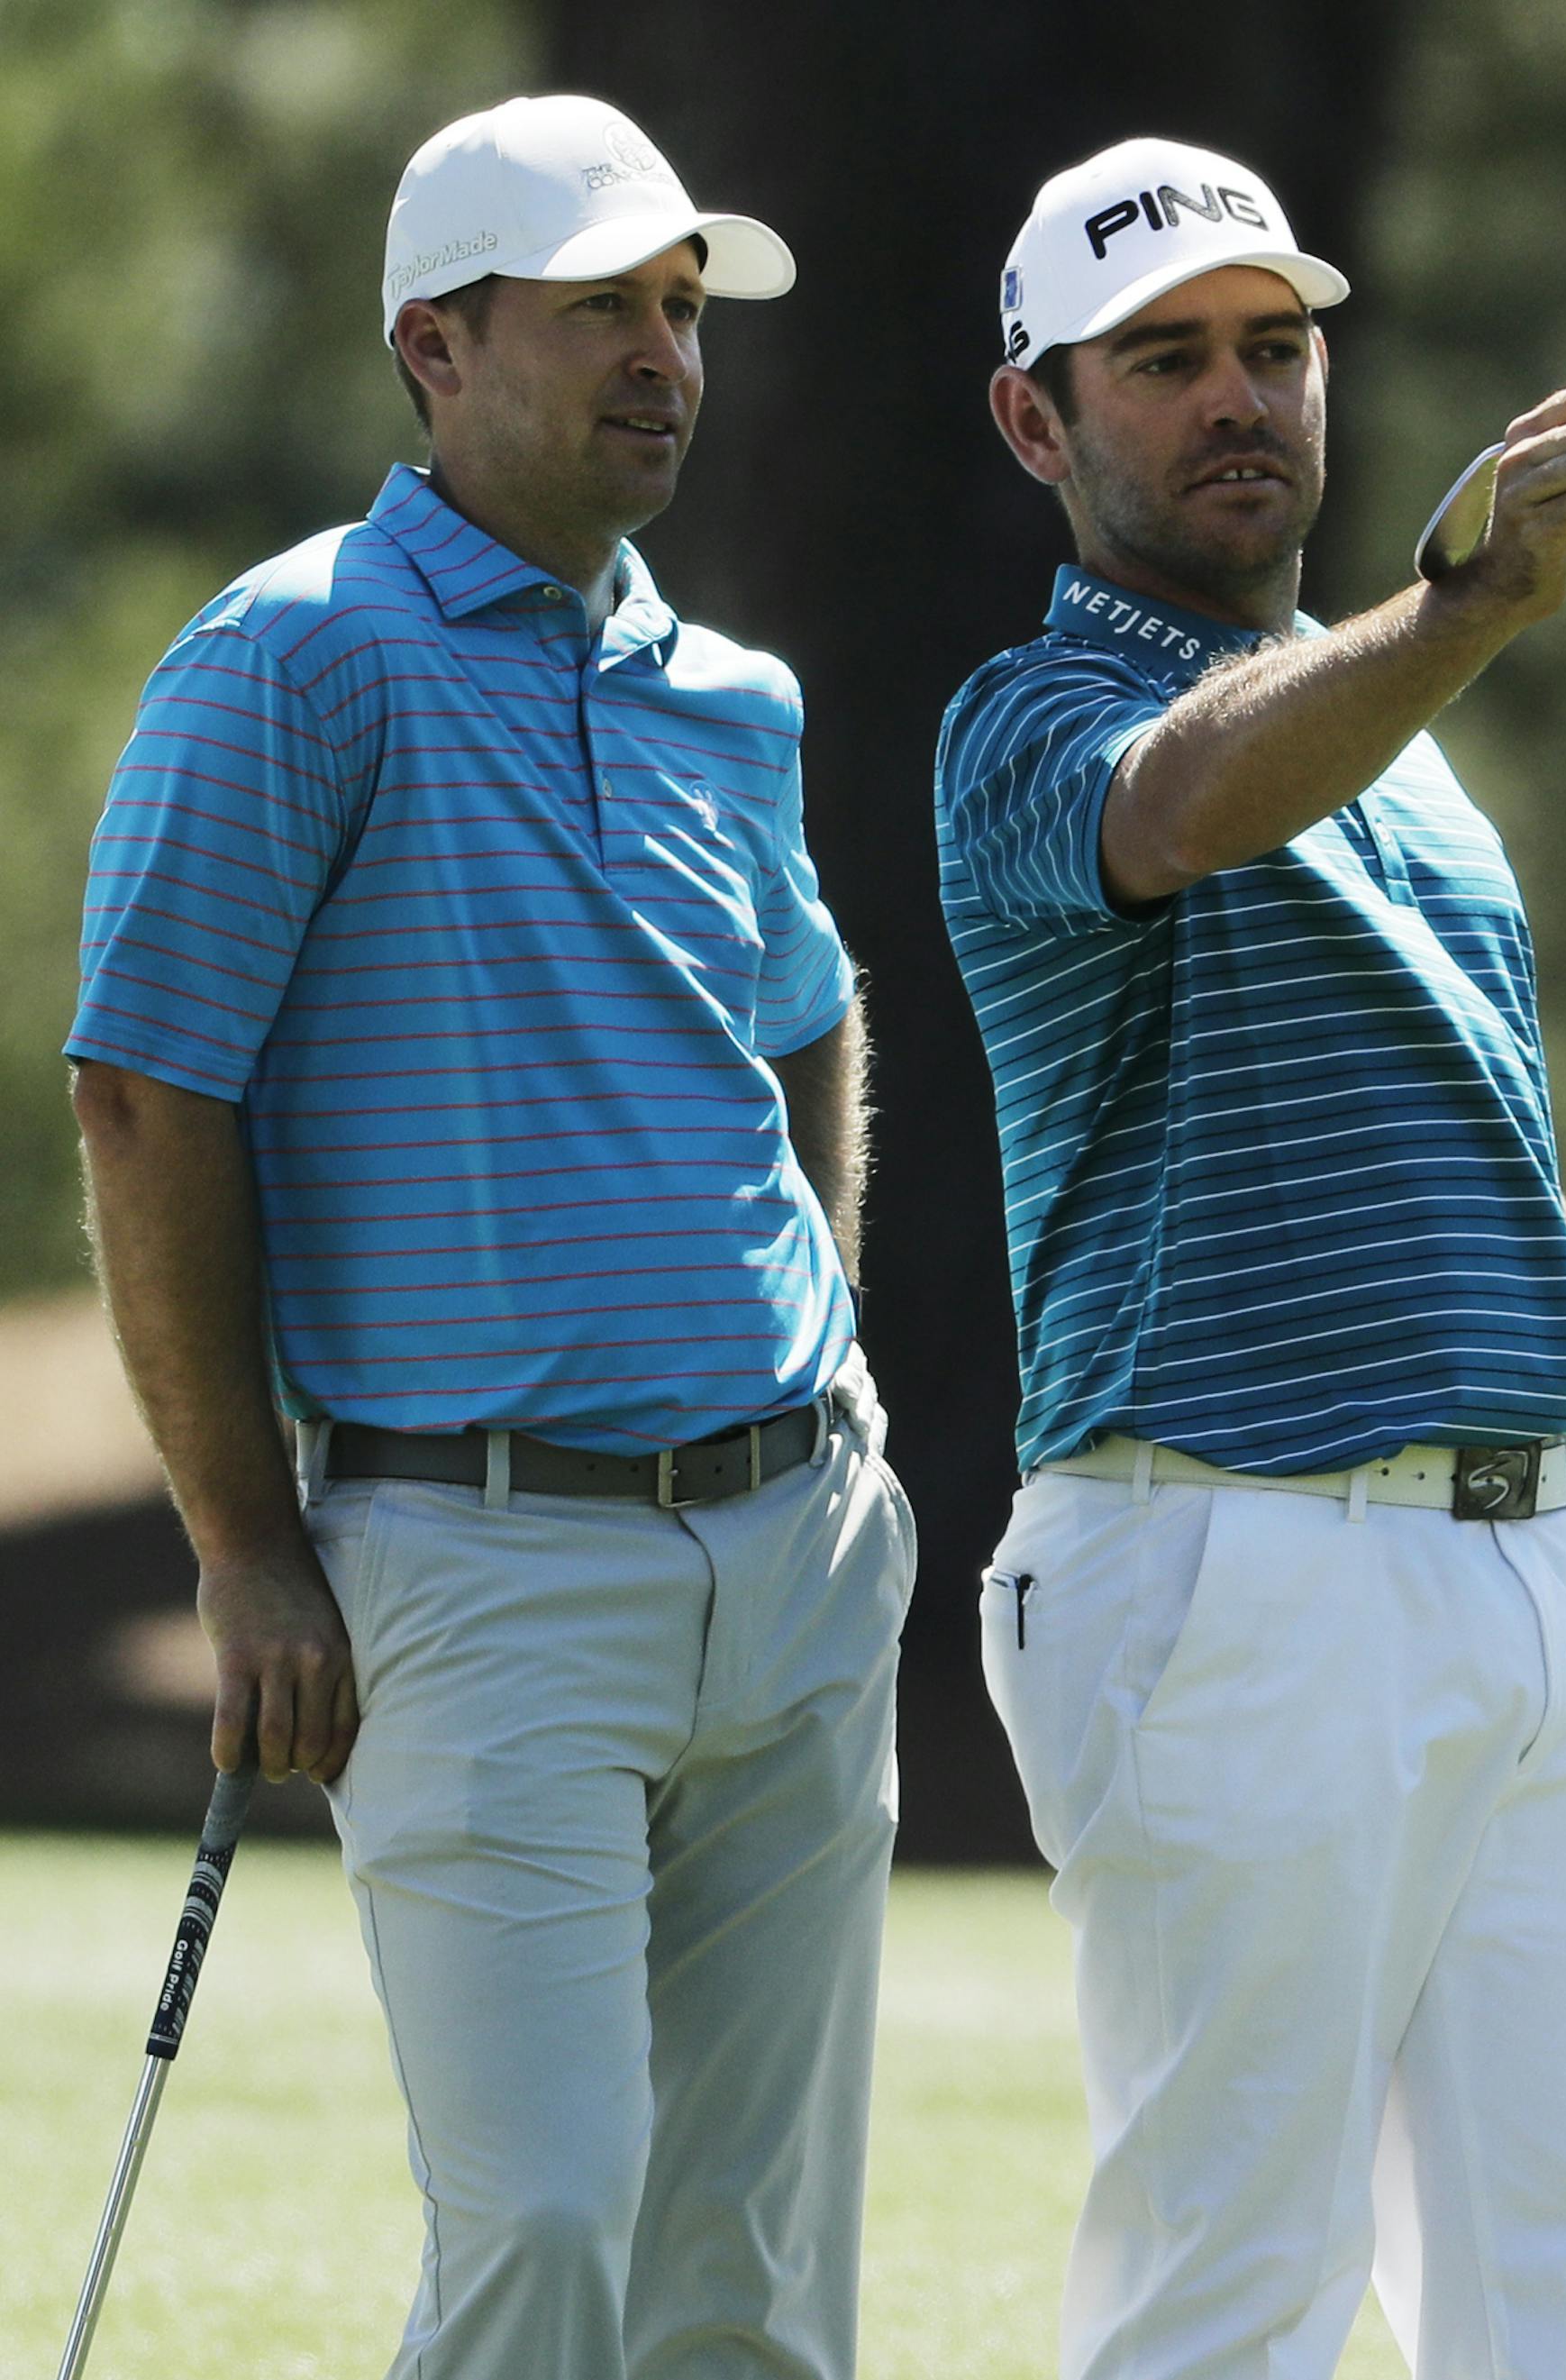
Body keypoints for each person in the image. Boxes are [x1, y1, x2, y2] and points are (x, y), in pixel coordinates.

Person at [69, 94, 914, 2380]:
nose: (665, 354)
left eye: (679, 309)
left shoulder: (733, 698)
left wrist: (827, 1341)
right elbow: (149, 1096)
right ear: (436, 349)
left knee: (751, 2283)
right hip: (479, 1562)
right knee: (547, 2230)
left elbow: (813, 1024)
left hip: (799, 1546)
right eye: (601, 311)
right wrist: (246, 1542)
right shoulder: (291, 658)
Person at [935, 135, 1566, 2380]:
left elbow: (1515, 1175)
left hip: (1529, 1592)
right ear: (1041, 418)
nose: (1238, 399)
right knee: (1235, 2296)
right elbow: (1188, 801)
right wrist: (1470, 606)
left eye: (1274, 349)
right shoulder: (1022, 727)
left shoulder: (1416, 757)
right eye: (1165, 362)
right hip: (1229, 1561)